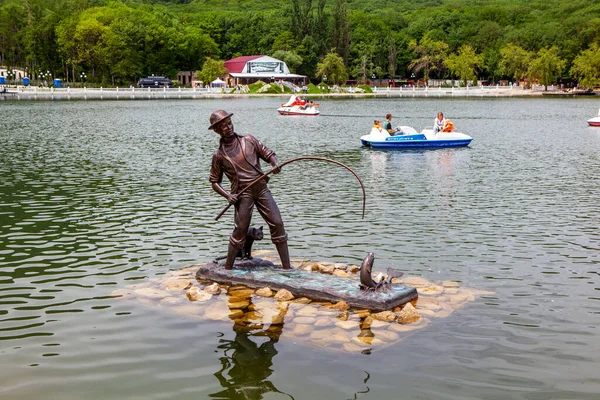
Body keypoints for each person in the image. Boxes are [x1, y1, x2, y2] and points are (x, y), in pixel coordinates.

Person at [208, 110, 291, 270]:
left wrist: (275, 163)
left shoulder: (249, 140)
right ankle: (228, 269)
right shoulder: (219, 156)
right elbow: (214, 182)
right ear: (217, 131)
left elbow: (268, 153)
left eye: (229, 123)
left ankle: (287, 268)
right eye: (223, 126)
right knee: (240, 231)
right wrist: (228, 195)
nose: (228, 127)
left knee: (277, 223)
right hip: (243, 194)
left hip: (261, 189)